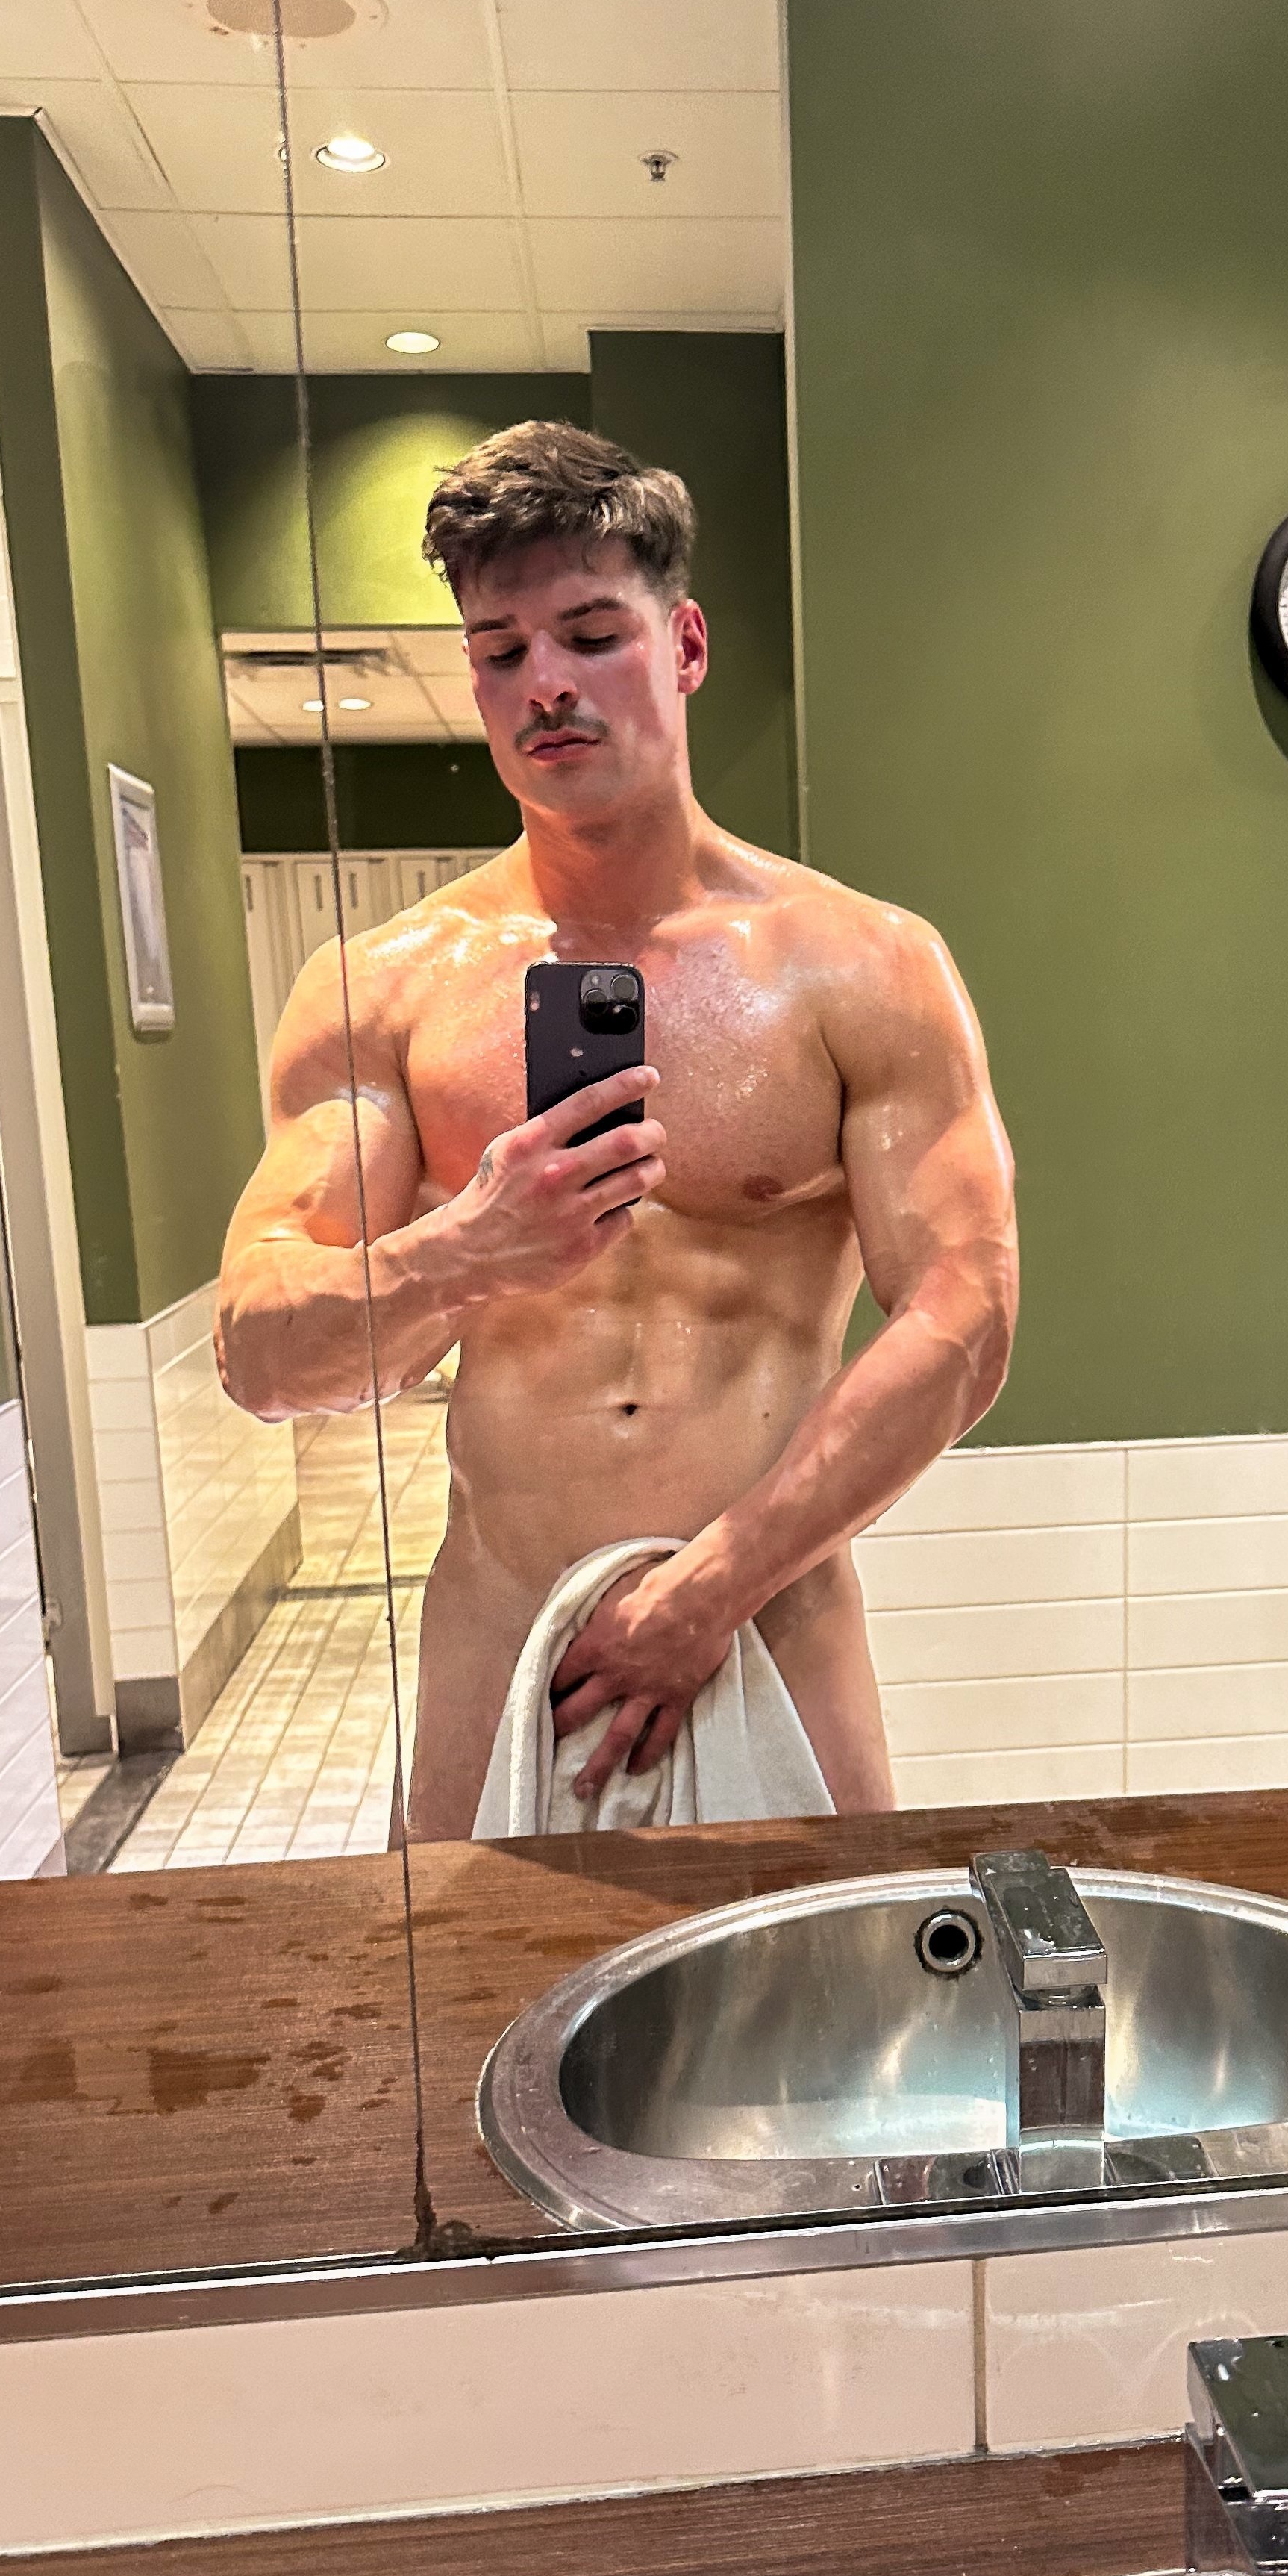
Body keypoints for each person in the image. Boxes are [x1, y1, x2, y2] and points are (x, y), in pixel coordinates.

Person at [216, 422, 1018, 1838]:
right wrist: (463, 1252)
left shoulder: (862, 965)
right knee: (476, 1978)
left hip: (771, 1616)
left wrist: (711, 1591)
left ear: (684, 645)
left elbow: (966, 1317)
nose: (548, 685)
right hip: (501, 1632)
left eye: (592, 635)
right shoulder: (382, 986)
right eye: (501, 650)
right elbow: (261, 1355)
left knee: (828, 1975)